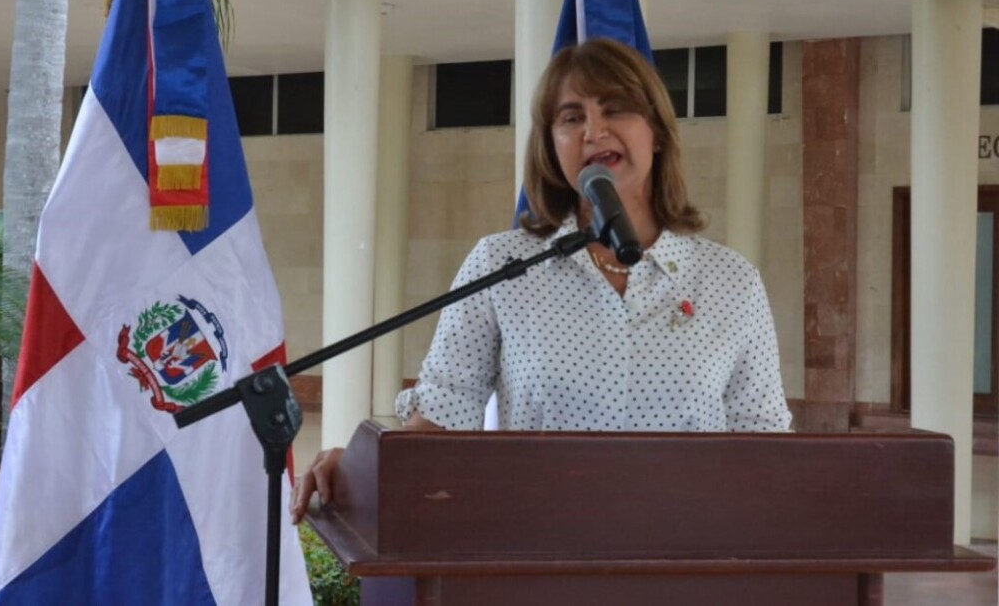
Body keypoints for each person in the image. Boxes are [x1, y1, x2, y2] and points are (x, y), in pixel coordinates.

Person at [291, 37, 791, 523]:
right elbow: (439, 424)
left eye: (615, 109)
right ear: (552, 146)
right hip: (534, 548)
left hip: (685, 554)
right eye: (572, 118)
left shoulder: (730, 281)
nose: (594, 132)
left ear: (656, 132)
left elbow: (766, 448)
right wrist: (354, 469)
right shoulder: (503, 265)